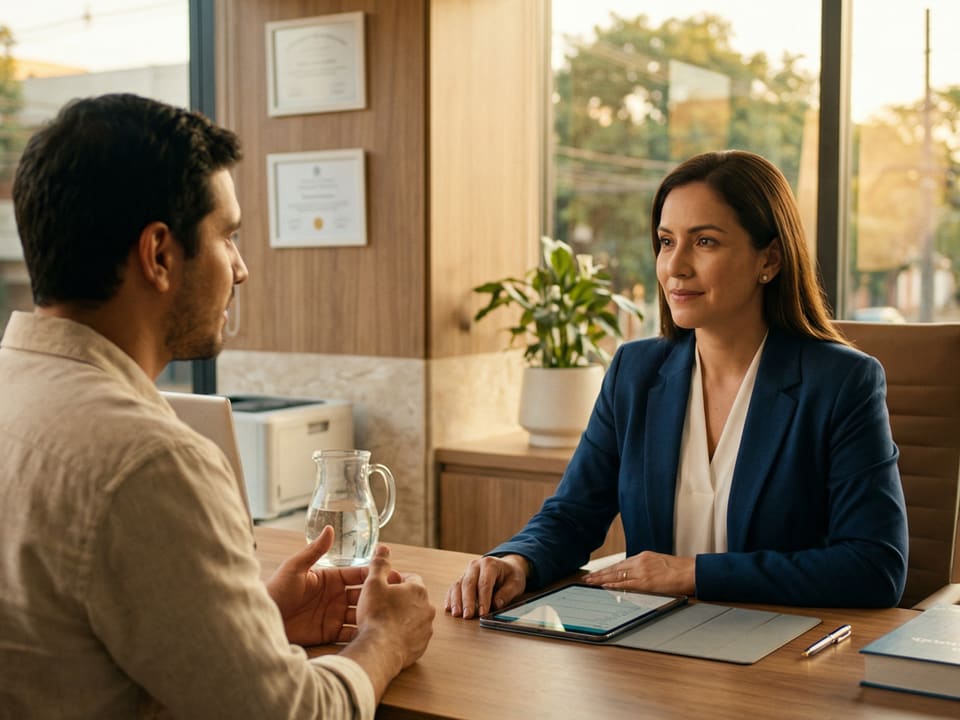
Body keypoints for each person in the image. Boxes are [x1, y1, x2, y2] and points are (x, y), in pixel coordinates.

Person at [0, 93, 434, 719]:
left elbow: (67, 636)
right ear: (158, 255)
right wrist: (384, 640)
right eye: (227, 236)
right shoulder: (150, 461)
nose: (241, 268)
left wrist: (249, 619)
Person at [447, 150, 909, 617]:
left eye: (705, 242)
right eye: (667, 242)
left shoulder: (842, 382)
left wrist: (690, 574)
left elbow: (875, 566)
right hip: (651, 649)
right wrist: (517, 560)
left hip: (782, 654)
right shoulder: (635, 370)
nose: (675, 267)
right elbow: (573, 513)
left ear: (768, 259)